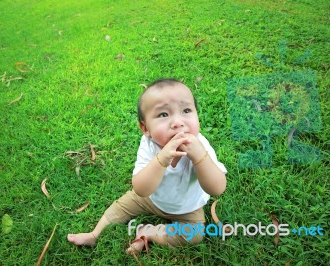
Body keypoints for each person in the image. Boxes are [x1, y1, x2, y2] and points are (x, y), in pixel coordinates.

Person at [67, 78, 227, 254]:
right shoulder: (149, 145)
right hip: (151, 200)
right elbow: (141, 189)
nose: (177, 122)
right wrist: (161, 160)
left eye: (186, 110)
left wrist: (200, 158)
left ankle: (149, 232)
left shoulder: (200, 145)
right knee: (120, 207)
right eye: (163, 115)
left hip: (188, 207)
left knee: (195, 236)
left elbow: (217, 188)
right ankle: (94, 234)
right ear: (145, 128)